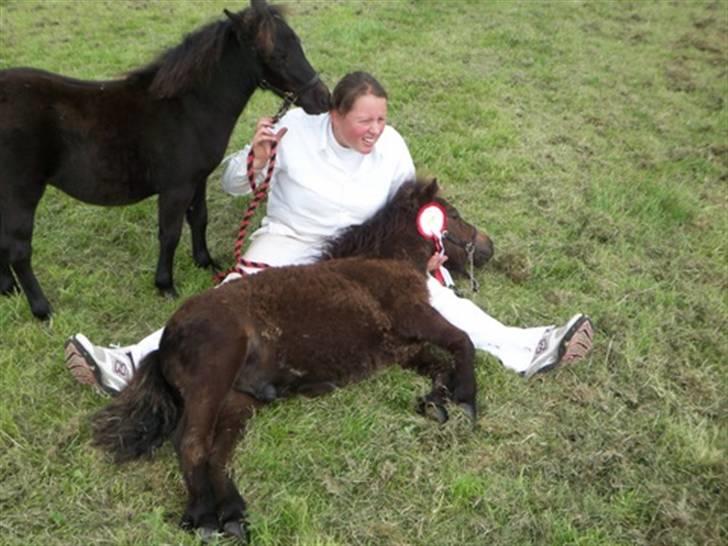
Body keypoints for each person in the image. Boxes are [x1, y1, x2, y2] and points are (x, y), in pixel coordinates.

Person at [65, 71, 593, 396]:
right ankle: (129, 362)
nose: (375, 131)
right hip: (290, 240)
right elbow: (230, 182)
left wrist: (428, 251)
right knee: (227, 302)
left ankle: (529, 348)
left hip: (362, 251)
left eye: (381, 120)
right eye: (364, 121)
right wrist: (257, 157)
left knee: (432, 298)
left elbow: (411, 205)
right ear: (334, 114)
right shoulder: (295, 128)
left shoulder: (391, 147)